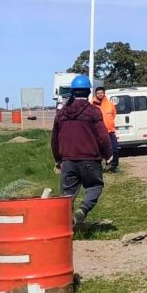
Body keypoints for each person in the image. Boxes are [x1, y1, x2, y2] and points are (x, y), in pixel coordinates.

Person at [51, 75, 112, 228]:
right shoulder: (93, 112)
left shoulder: (61, 113)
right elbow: (103, 136)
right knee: (95, 186)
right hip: (90, 159)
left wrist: (58, 159)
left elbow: (54, 139)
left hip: (68, 161)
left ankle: (64, 227)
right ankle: (82, 211)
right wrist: (108, 155)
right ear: (88, 92)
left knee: (67, 196)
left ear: (72, 92)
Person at [92, 86, 119, 172]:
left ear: (104, 93)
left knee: (114, 149)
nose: (100, 95)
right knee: (98, 150)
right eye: (98, 93)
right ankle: (98, 168)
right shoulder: (92, 104)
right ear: (96, 94)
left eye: (101, 93)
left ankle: (113, 167)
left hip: (110, 131)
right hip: (98, 132)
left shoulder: (110, 103)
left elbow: (114, 114)